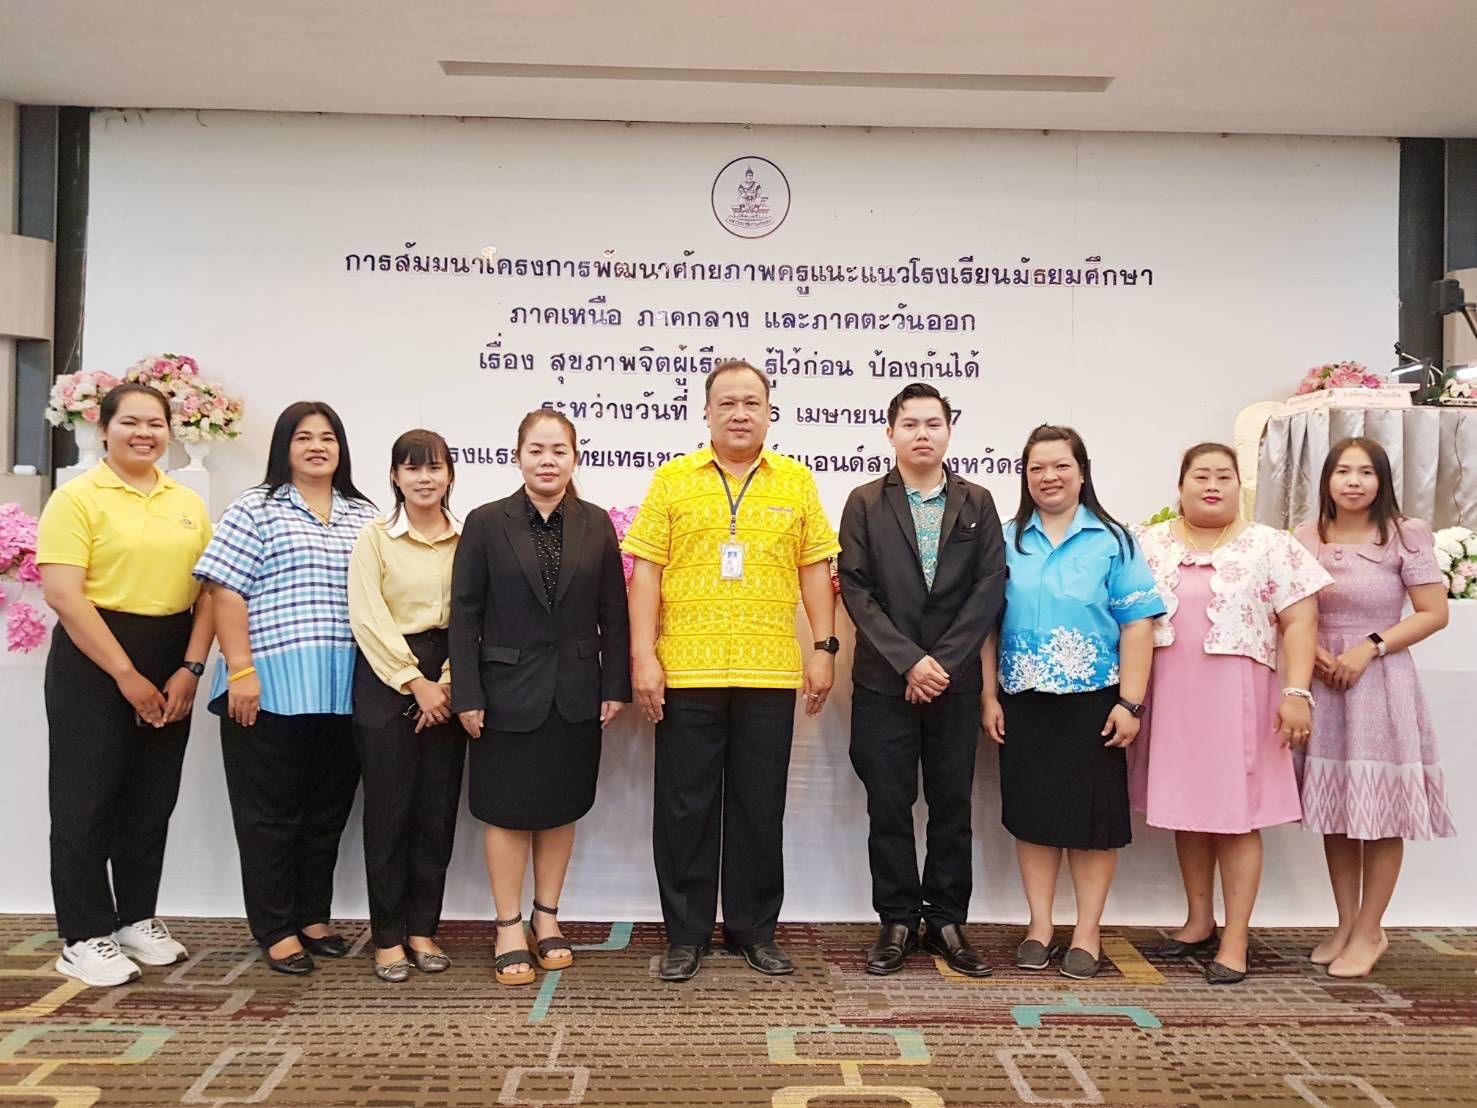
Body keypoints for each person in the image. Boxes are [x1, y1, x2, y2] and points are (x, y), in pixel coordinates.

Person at [623, 359, 841, 982]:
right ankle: (685, 934)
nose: (740, 414)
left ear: (770, 412)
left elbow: (814, 570)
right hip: (687, 669)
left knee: (758, 805)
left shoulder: (796, 482)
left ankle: (753, 930)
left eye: (751, 403)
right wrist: (644, 655)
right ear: (707, 412)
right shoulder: (672, 480)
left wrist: (824, 648)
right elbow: (646, 573)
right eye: (727, 403)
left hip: (768, 671)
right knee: (684, 807)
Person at [36, 383, 215, 987]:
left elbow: (209, 591)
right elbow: (64, 595)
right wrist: (125, 674)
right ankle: (82, 934)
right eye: (131, 422)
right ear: (104, 429)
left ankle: (135, 917)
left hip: (171, 651)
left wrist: (190, 668)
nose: (144, 433)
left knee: (150, 796)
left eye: (156, 423)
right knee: (86, 798)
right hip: (96, 656)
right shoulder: (76, 497)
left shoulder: (186, 501)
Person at [1133, 443, 1330, 984]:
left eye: (1223, 476)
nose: (1212, 485)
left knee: (1236, 817)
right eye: (1201, 476)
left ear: (1238, 485)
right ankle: (1198, 921)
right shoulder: (1147, 543)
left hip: (1240, 698)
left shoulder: (1271, 545)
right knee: (1187, 810)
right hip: (1171, 695)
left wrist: (1297, 691)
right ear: (1180, 485)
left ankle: (1237, 938)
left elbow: (1300, 622)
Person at [193, 401, 377, 976]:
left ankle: (313, 917)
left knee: (326, 813)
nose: (317, 446)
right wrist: (240, 670)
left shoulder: (365, 514)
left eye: (328, 437)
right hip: (268, 688)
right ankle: (275, 928)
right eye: (304, 437)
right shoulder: (255, 507)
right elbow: (225, 590)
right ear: (284, 447)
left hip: (344, 691)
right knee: (269, 817)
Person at [450, 410, 630, 986]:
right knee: (505, 810)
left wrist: (615, 684)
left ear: (575, 457)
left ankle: (546, 916)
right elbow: (465, 614)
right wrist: (467, 692)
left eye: (559, 451)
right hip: (503, 692)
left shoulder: (596, 523)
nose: (547, 461)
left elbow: (613, 611)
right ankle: (507, 925)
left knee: (560, 807)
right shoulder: (485, 522)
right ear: (518, 456)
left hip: (576, 691)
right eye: (536, 450)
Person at [981, 424, 1163, 981]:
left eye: (1061, 465)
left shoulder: (1114, 541)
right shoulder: (1006, 539)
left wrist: (1131, 703)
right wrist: (988, 695)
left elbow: (1138, 624)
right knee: (1033, 818)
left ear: (1082, 473)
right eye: (1036, 467)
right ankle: (1039, 926)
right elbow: (986, 626)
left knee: (1092, 823)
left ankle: (1087, 930)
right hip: (1023, 700)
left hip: (1096, 703)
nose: (1049, 477)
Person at [838, 383, 1006, 977]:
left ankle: (947, 920)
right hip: (885, 682)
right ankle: (897, 919)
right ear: (890, 433)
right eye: (910, 424)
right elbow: (856, 589)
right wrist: (909, 661)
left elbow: (989, 588)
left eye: (933, 423)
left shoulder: (978, 501)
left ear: (949, 431)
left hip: (954, 684)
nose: (922, 434)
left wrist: (942, 663)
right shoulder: (864, 502)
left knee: (951, 803)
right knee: (888, 804)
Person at [1293, 436, 1454, 978]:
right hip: (1323, 683)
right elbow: (1289, 608)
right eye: (1343, 471)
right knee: (1337, 807)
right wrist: (1311, 649)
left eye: (1365, 472)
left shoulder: (1405, 534)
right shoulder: (1306, 536)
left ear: (1382, 480)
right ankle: (1345, 923)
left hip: (1380, 681)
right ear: (1327, 480)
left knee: (1381, 810)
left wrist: (1370, 646)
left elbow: (1433, 612)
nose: (1354, 481)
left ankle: (1371, 928)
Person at [348, 429, 465, 983]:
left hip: (452, 675)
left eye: (434, 467)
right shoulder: (374, 538)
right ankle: (388, 936)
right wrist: (415, 681)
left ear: (449, 476)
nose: (424, 478)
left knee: (435, 812)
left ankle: (422, 929)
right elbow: (368, 617)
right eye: (412, 468)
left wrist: (448, 681)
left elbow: (475, 614)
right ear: (395, 476)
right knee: (389, 811)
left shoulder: (468, 538)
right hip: (387, 676)